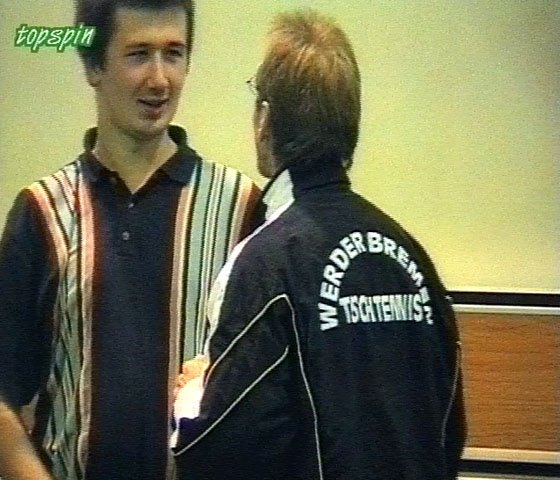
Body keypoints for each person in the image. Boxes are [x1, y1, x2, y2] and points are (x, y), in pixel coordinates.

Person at [172, 9, 467, 480]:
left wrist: (196, 392)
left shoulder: (262, 263)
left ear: (265, 119)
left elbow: (220, 452)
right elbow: (447, 431)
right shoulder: (411, 257)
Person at [0, 1, 261, 479]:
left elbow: (271, 395)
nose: (160, 80)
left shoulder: (242, 208)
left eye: (173, 53)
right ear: (93, 66)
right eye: (139, 54)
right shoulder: (40, 212)